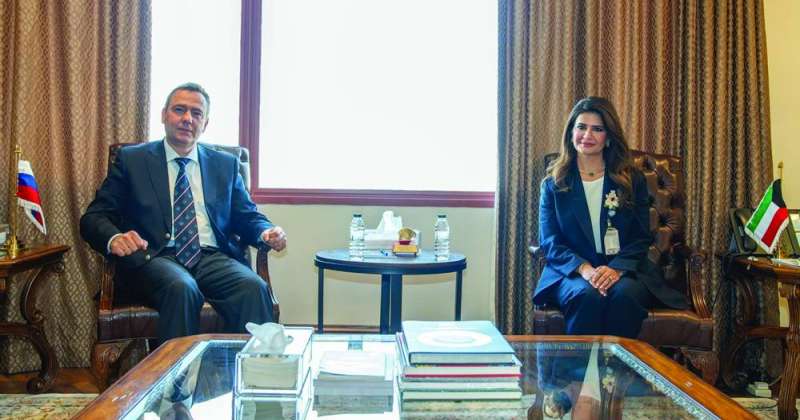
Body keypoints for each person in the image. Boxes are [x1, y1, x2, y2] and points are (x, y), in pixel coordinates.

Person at [80, 82, 286, 344]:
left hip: (211, 257)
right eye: (179, 110)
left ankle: (249, 367)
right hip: (155, 256)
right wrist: (115, 238)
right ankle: (178, 372)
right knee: (181, 288)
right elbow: (94, 217)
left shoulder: (225, 164)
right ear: (164, 115)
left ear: (205, 123)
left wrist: (265, 231)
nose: (187, 118)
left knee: (253, 287)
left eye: (196, 113)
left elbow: (246, 215)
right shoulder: (133, 160)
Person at [535, 96, 687, 339]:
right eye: (581, 127)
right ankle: (580, 366)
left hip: (625, 269)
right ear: (571, 132)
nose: (587, 135)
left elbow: (640, 237)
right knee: (586, 295)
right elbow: (551, 242)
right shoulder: (553, 184)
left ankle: (618, 365)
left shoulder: (631, 179)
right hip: (572, 272)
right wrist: (585, 270)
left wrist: (616, 269)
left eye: (597, 129)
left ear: (608, 137)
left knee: (623, 296)